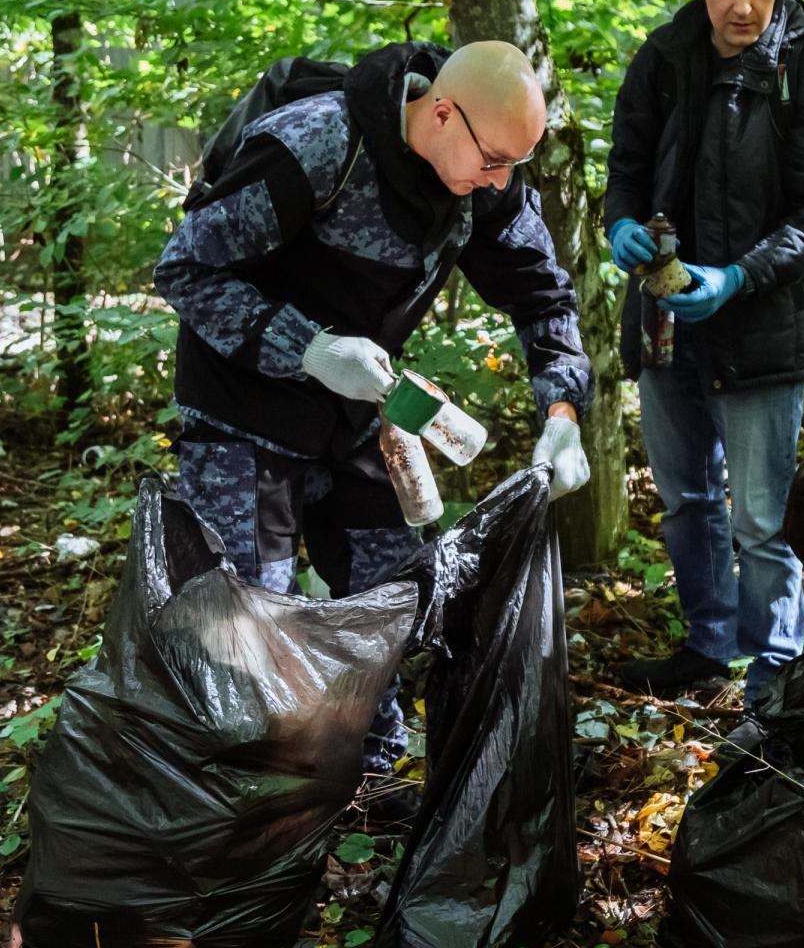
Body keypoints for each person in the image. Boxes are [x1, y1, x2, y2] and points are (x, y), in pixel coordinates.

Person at [155, 40, 593, 815]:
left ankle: (375, 774)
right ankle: (244, 806)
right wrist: (308, 347)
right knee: (252, 619)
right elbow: (185, 268)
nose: (499, 183)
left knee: (392, 591)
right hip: (243, 412)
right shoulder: (318, 147)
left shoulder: (486, 181)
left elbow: (543, 297)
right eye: (493, 160)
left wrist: (562, 412)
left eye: (512, 169)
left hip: (360, 411)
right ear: (442, 112)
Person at [603, 0, 804, 707]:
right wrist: (618, 222)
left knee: (759, 519)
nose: (743, 6)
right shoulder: (666, 53)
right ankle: (708, 645)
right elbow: (628, 160)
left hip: (762, 330)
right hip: (666, 322)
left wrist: (738, 279)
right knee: (685, 501)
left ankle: (775, 679)